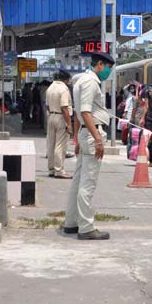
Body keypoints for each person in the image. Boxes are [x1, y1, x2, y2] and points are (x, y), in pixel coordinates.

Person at [63, 50, 115, 240]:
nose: (108, 72)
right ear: (99, 65)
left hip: (85, 133)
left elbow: (78, 112)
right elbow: (85, 112)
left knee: (78, 182)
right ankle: (86, 227)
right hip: (93, 134)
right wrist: (98, 140)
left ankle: (71, 222)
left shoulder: (80, 81)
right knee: (88, 183)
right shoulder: (91, 82)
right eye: (108, 67)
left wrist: (77, 138)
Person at [45, 70, 74, 178]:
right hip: (61, 117)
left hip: (51, 115)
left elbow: (47, 105)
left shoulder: (50, 88)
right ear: (66, 79)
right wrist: (69, 124)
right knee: (60, 145)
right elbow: (65, 108)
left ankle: (51, 169)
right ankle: (59, 170)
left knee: (51, 144)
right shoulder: (64, 89)